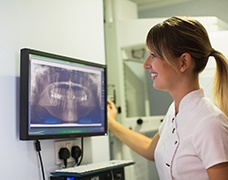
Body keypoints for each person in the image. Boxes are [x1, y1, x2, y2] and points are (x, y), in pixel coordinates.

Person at [107, 16, 228, 180]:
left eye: (154, 55)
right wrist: (112, 124)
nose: (146, 64)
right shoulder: (174, 111)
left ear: (183, 62)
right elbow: (150, 149)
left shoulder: (209, 124)